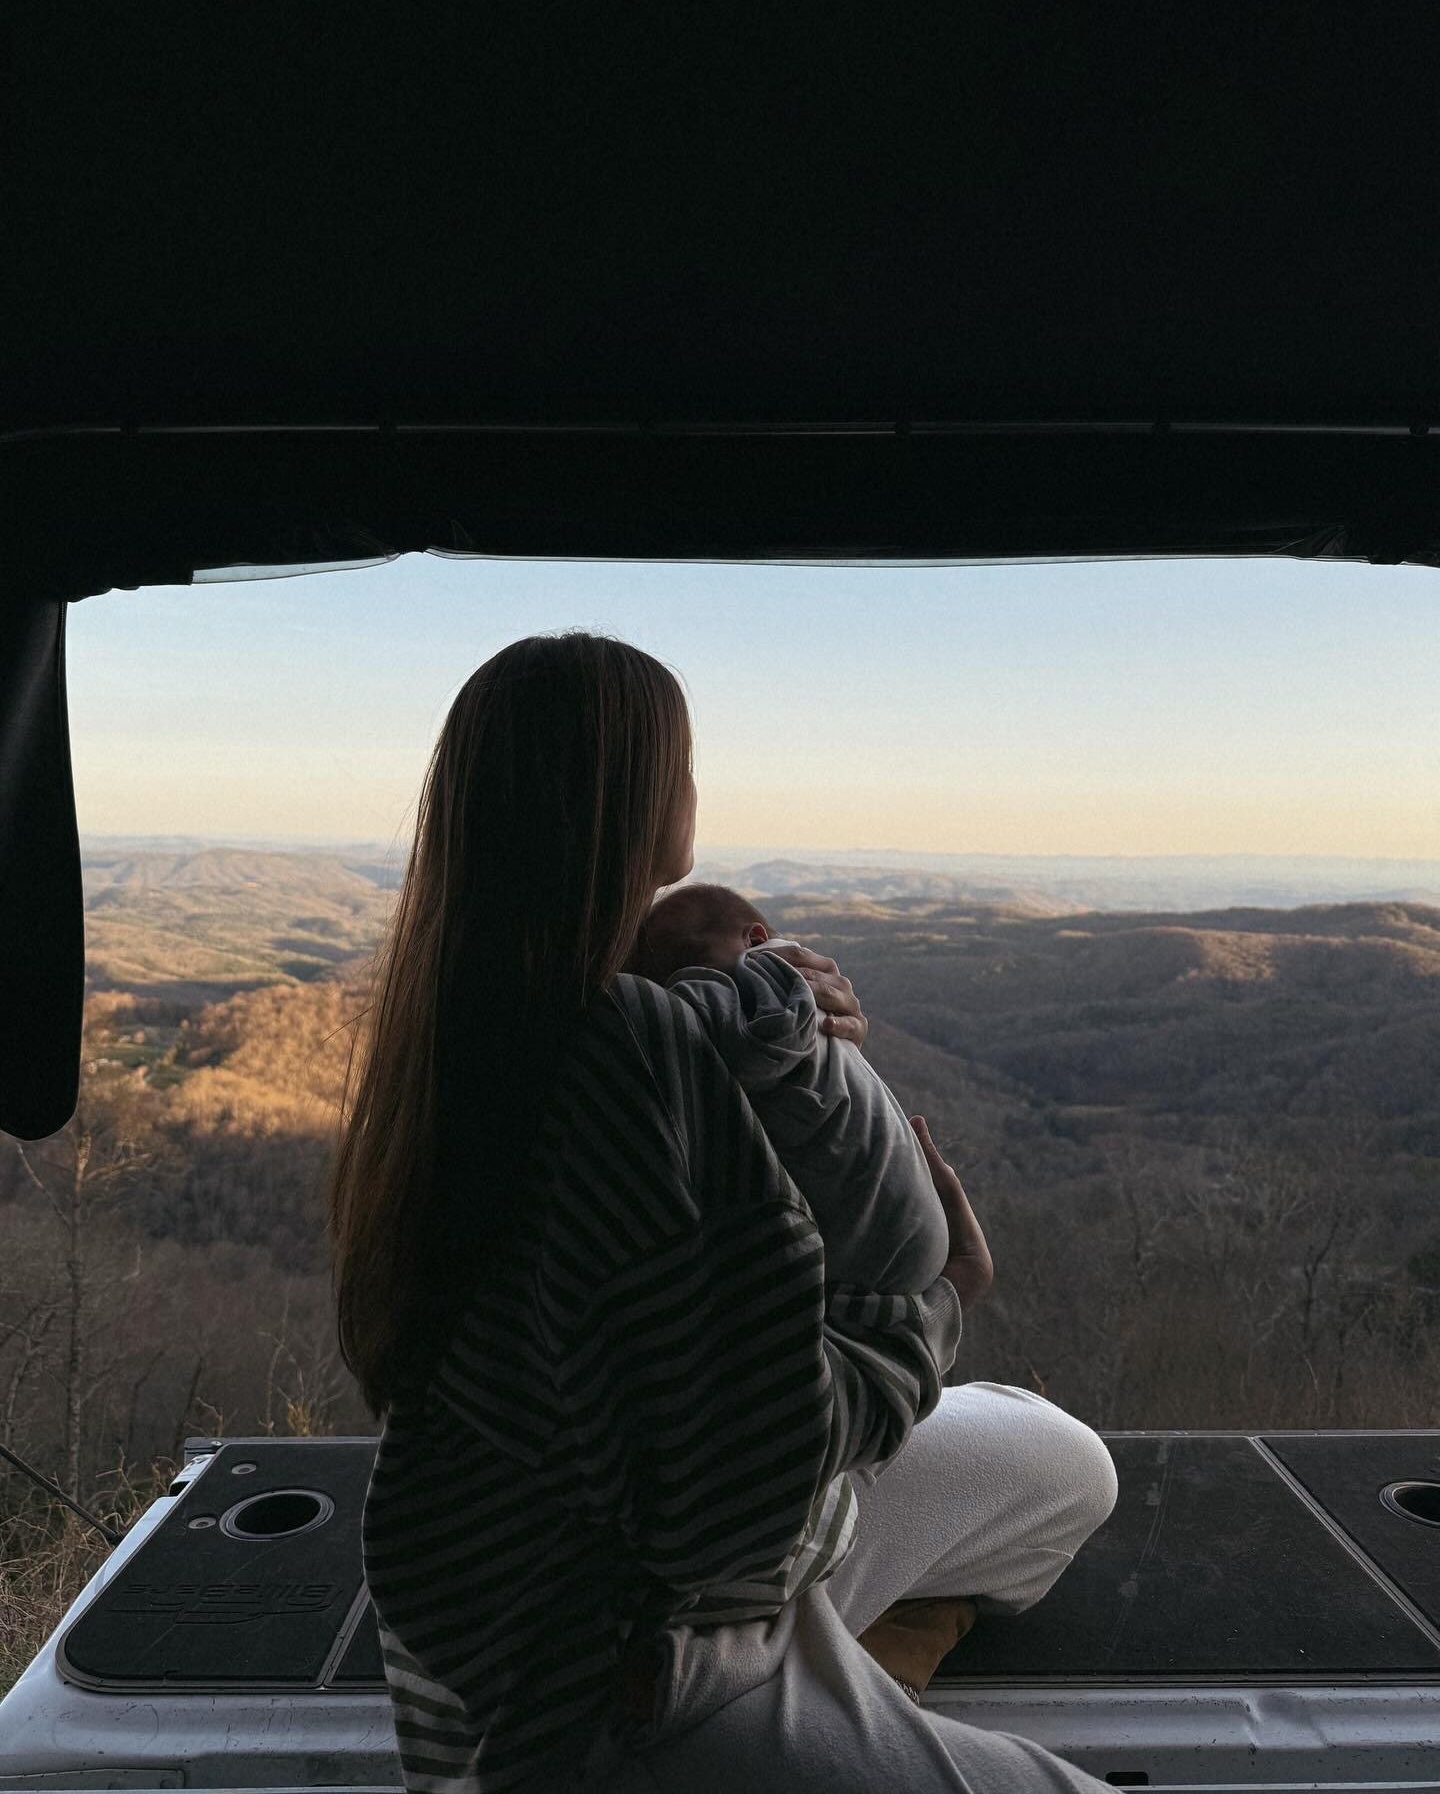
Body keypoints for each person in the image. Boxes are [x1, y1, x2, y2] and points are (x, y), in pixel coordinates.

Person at [330, 631, 1118, 1794]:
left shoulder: (494, 1020)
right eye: (681, 758)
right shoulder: (625, 1052)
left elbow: (695, 1334)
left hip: (593, 1572)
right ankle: (812, 1709)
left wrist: (791, 1068)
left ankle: (845, 1674)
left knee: (1065, 1464)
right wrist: (941, 1302)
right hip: (633, 1671)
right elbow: (735, 1502)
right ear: (636, 791)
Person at [627, 881, 951, 1298]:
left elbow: (756, 1039)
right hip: (900, 1244)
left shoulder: (772, 987)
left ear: (757, 941)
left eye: (684, 962)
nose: (667, 982)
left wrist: (669, 998)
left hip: (869, 1252)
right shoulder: (788, 1004)